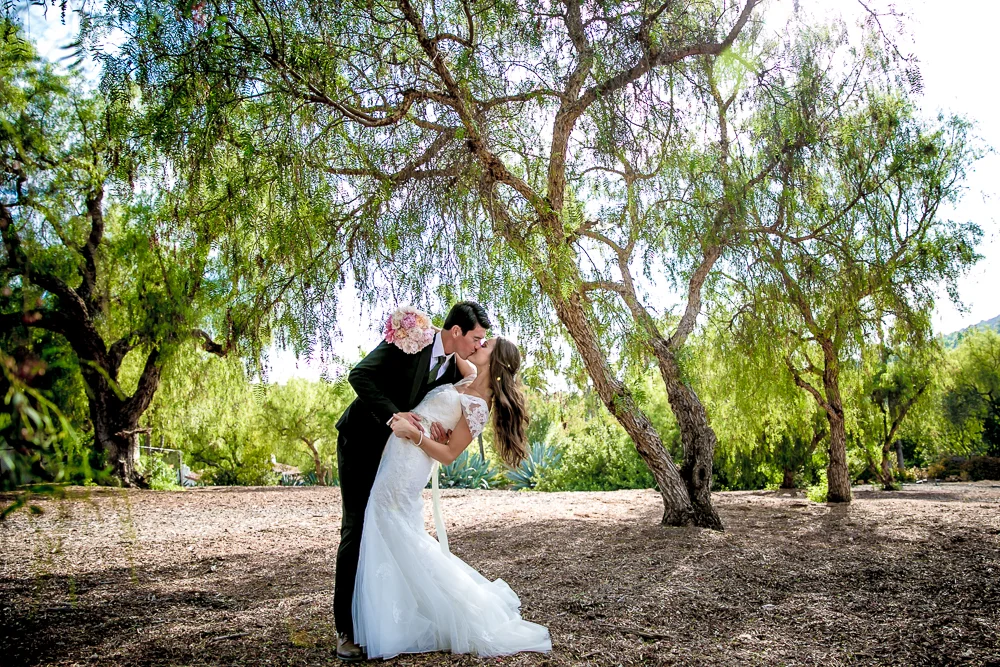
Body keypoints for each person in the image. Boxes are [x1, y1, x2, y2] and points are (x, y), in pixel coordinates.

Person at [352, 335, 552, 660]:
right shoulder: (469, 374)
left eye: (486, 345)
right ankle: (399, 611)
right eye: (480, 340)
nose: (479, 345)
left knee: (390, 523)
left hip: (411, 458)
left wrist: (414, 434)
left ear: (497, 362)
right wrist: (412, 327)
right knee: (391, 526)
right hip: (398, 451)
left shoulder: (478, 406)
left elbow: (448, 454)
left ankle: (418, 616)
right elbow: (446, 340)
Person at [333, 302, 489, 661]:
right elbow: (359, 375)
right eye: (477, 338)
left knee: (386, 529)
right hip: (362, 442)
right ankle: (347, 629)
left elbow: (448, 404)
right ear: (456, 332)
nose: (479, 345)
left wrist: (435, 424)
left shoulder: (455, 368)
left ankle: (383, 618)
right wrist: (391, 417)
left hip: (398, 456)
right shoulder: (411, 337)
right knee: (356, 528)